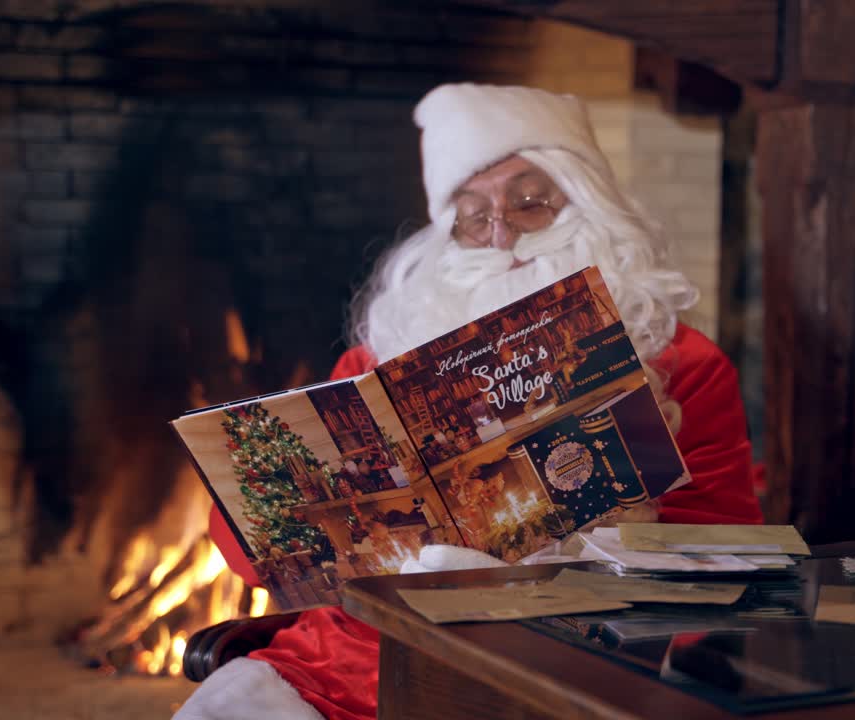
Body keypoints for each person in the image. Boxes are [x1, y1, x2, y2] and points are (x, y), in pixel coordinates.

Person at [176, 83, 763, 720]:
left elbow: (727, 558)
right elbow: (250, 551)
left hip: (567, 668)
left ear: (586, 202)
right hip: (352, 663)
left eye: (531, 201)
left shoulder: (685, 363)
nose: (501, 233)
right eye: (473, 214)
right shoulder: (378, 358)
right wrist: (273, 511)